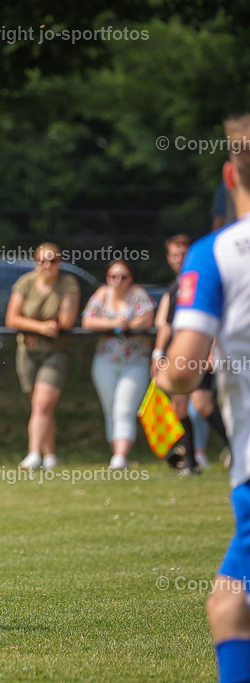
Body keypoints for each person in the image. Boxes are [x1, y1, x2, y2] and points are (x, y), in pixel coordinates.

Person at [158, 111, 250, 683]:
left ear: (230, 175)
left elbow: (184, 372)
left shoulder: (218, 253)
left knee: (230, 607)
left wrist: (167, 375)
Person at [5, 243, 80, 470]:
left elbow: (66, 320)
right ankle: (50, 456)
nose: (47, 266)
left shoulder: (68, 284)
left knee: (42, 404)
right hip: (27, 352)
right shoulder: (26, 282)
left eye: (52, 261)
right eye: (42, 261)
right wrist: (39, 328)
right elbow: (12, 319)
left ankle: (33, 455)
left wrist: (44, 328)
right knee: (40, 407)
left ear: (60, 263)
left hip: (56, 352)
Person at [81, 260, 155, 470]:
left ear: (131, 278)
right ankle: (117, 455)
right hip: (105, 360)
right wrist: (115, 325)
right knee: (111, 408)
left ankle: (120, 457)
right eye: (113, 276)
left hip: (135, 361)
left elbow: (147, 320)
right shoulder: (102, 293)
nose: (118, 281)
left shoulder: (138, 293)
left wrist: (126, 325)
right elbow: (87, 320)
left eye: (123, 276)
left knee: (124, 408)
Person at [152, 234, 206, 472]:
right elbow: (164, 324)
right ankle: (191, 462)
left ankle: (235, 452)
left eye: (182, 254)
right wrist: (158, 354)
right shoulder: (174, 288)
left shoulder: (201, 282)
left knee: (204, 406)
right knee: (181, 408)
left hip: (201, 354)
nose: (178, 259)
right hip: (179, 355)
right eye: (174, 254)